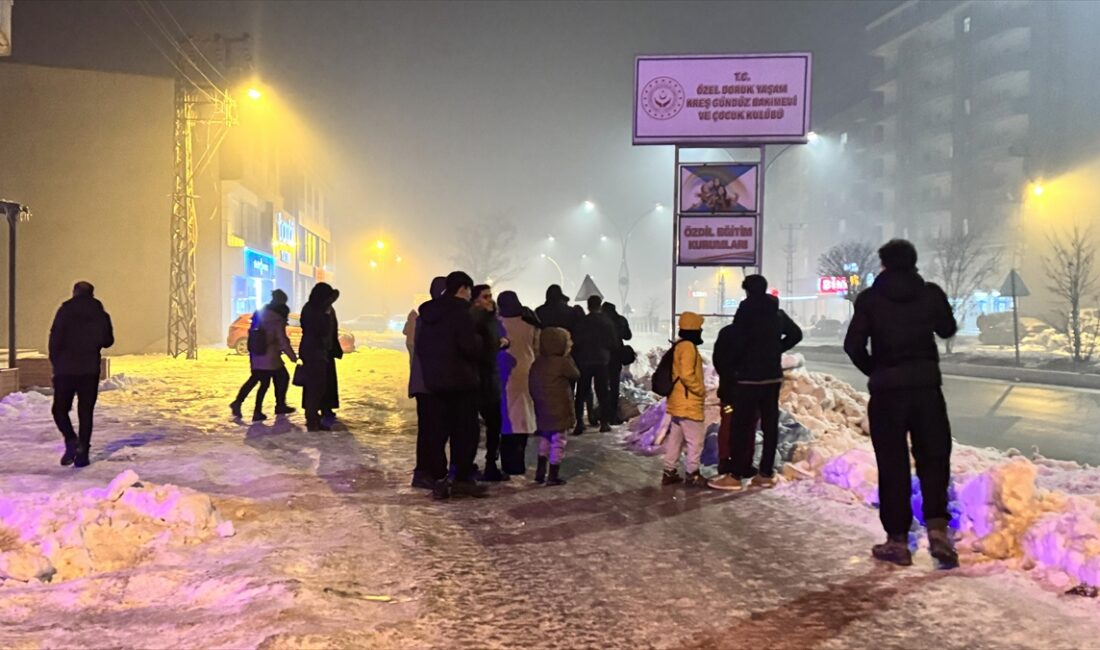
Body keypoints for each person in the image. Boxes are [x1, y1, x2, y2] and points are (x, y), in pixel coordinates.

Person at [844, 239, 959, 569]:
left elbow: (853, 345)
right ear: (913, 262)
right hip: (926, 388)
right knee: (934, 456)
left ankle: (897, 540)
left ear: (883, 264)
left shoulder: (870, 300)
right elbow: (947, 328)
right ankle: (938, 530)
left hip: (887, 395)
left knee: (892, 463)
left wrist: (877, 371)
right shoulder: (930, 293)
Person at [709, 275, 802, 492]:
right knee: (770, 426)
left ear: (747, 291)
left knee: (741, 426)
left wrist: (737, 366)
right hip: (772, 377)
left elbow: (736, 341)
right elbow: (796, 334)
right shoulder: (777, 314)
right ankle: (765, 474)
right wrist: (775, 349)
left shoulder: (746, 312)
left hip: (748, 379)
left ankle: (735, 475)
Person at [416, 271, 487, 499]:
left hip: (435, 383)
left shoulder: (428, 314)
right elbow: (469, 347)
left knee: (437, 433)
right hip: (462, 383)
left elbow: (422, 347)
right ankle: (462, 478)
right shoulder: (462, 313)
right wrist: (481, 342)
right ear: (463, 289)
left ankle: (438, 477)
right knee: (465, 433)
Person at [48, 281, 114, 468]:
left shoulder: (64, 311)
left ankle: (70, 440)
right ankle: (82, 453)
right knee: (86, 412)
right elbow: (108, 341)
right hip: (89, 370)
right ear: (92, 294)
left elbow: (54, 339)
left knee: (59, 410)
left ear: (75, 292)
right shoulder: (100, 314)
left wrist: (56, 363)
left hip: (65, 370)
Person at [231, 289, 297, 421]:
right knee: (281, 378)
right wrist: (292, 356)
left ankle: (239, 403)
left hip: (256, 354)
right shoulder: (276, 319)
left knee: (258, 380)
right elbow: (281, 339)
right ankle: (271, 407)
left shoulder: (261, 313)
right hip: (270, 356)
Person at [661, 312, 708, 487]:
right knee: (695, 440)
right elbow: (687, 374)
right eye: (699, 327)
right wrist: (700, 390)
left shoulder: (680, 346)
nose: (701, 331)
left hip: (678, 400)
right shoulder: (688, 347)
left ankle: (669, 470)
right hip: (689, 401)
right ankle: (693, 473)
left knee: (676, 438)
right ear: (694, 329)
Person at [409, 276, 448, 489]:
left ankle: (425, 471)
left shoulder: (426, 315)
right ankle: (431, 471)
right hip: (433, 382)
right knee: (434, 429)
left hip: (424, 382)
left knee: (428, 428)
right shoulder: (437, 317)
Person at [529, 326, 580, 486]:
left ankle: (540, 471)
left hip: (543, 407)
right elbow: (576, 374)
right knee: (559, 441)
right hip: (560, 407)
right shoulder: (562, 363)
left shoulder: (538, 362)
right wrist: (569, 357)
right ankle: (553, 474)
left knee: (545, 437)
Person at [496, 290, 539, 476]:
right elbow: (537, 348)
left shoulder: (497, 324)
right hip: (527, 372)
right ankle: (519, 462)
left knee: (506, 418)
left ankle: (508, 463)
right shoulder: (531, 324)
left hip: (503, 373)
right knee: (523, 417)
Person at [470, 284, 508, 481]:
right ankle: (471, 465)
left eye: (491, 296)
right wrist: (498, 344)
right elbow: (481, 350)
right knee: (477, 426)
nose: (490, 300)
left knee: (493, 424)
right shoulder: (475, 320)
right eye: (485, 297)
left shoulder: (490, 319)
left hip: (487, 379)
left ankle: (489, 463)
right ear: (475, 300)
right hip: (478, 380)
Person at [299, 282, 342, 432]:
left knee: (321, 384)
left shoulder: (318, 308)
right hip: (314, 351)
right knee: (315, 386)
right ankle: (312, 418)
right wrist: (326, 314)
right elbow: (320, 329)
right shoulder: (314, 310)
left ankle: (315, 414)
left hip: (320, 351)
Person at [571, 295, 618, 434]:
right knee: (603, 392)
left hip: (584, 360)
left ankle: (579, 422)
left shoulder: (582, 322)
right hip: (602, 360)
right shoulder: (607, 322)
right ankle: (604, 423)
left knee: (581, 392)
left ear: (588, 306)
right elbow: (613, 343)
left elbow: (576, 341)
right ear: (600, 305)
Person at [602, 302, 632, 425]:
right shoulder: (621, 320)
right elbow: (628, 336)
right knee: (614, 386)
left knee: (602, 386)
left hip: (602, 356)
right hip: (616, 356)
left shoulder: (602, 321)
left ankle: (603, 414)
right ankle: (613, 416)